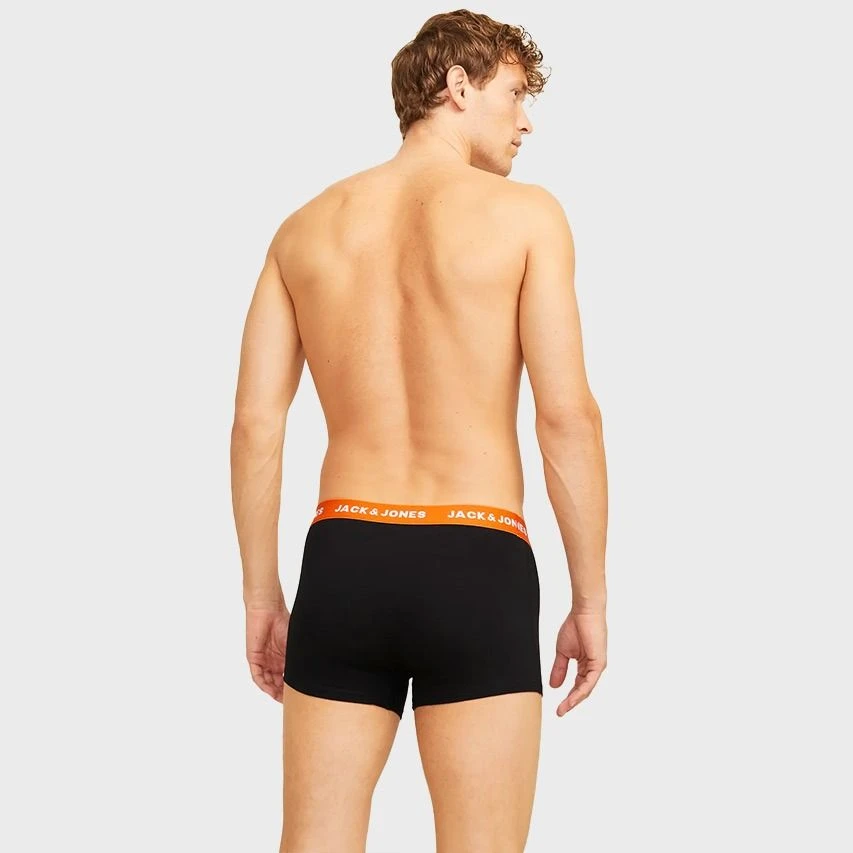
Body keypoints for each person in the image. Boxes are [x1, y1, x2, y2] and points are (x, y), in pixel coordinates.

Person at [230, 9, 608, 852]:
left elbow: (256, 425)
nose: (526, 120)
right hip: (478, 556)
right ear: (457, 87)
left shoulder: (304, 228)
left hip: (344, 559)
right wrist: (588, 597)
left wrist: (262, 596)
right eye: (514, 94)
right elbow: (566, 417)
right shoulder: (526, 217)